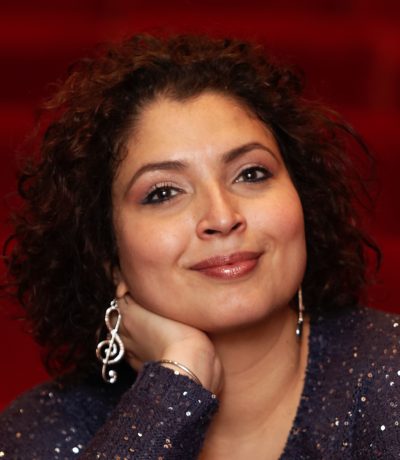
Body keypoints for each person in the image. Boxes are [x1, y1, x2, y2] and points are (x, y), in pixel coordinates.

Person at [0, 32, 399, 460]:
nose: (223, 217)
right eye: (163, 193)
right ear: (106, 252)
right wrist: (178, 380)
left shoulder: (388, 375)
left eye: (251, 174)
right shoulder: (42, 432)